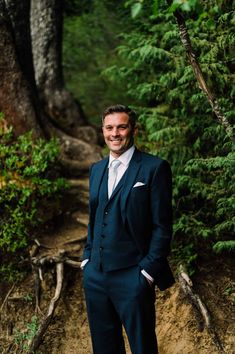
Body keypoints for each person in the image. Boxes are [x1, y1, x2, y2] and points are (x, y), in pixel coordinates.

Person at [81, 104, 175, 354]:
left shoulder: (154, 168)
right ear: (102, 131)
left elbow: (162, 226)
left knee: (143, 347)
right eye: (109, 128)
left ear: (133, 129)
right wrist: (87, 258)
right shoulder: (96, 169)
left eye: (121, 127)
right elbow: (94, 216)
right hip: (96, 277)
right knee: (104, 348)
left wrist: (146, 273)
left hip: (133, 276)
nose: (115, 133)